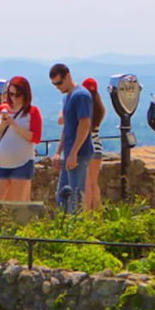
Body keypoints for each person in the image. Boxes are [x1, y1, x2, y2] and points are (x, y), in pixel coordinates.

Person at [0, 76, 42, 203]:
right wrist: (3, 124)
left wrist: (14, 124)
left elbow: (35, 137)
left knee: (18, 204)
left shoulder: (32, 112)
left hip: (23, 163)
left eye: (18, 95)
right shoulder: (2, 109)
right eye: (11, 94)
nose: (14, 98)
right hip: (1, 163)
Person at [49, 63, 93, 214]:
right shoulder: (67, 97)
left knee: (75, 196)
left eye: (59, 83)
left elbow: (84, 124)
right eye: (55, 84)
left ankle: (77, 225)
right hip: (69, 152)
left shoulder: (81, 96)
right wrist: (58, 152)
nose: (58, 87)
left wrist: (74, 152)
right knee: (62, 196)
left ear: (67, 76)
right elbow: (67, 127)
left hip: (79, 153)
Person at [81, 77, 105, 210]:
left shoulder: (84, 108)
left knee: (86, 183)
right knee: (94, 183)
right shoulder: (99, 109)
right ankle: (97, 210)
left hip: (87, 147)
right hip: (97, 146)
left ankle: (88, 213)